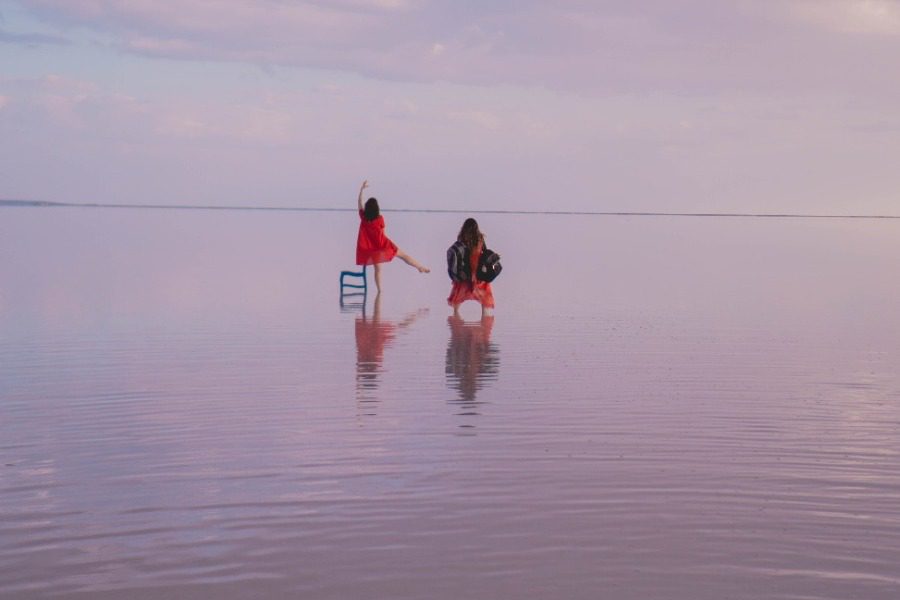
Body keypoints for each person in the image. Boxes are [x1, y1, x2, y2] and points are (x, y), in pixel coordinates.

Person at [356, 180, 429, 293]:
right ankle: (419, 267)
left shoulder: (364, 218)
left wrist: (361, 190)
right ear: (377, 208)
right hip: (383, 244)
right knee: (404, 255)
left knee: (378, 270)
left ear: (367, 208)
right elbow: (383, 233)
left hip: (372, 249)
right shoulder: (380, 219)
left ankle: (380, 291)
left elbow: (359, 202)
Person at [447, 218, 495, 317]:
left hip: (465, 271)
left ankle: (455, 315)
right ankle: (484, 318)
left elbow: (459, 253)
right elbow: (485, 252)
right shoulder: (480, 238)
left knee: (459, 292)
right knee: (484, 295)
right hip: (478, 272)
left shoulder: (461, 237)